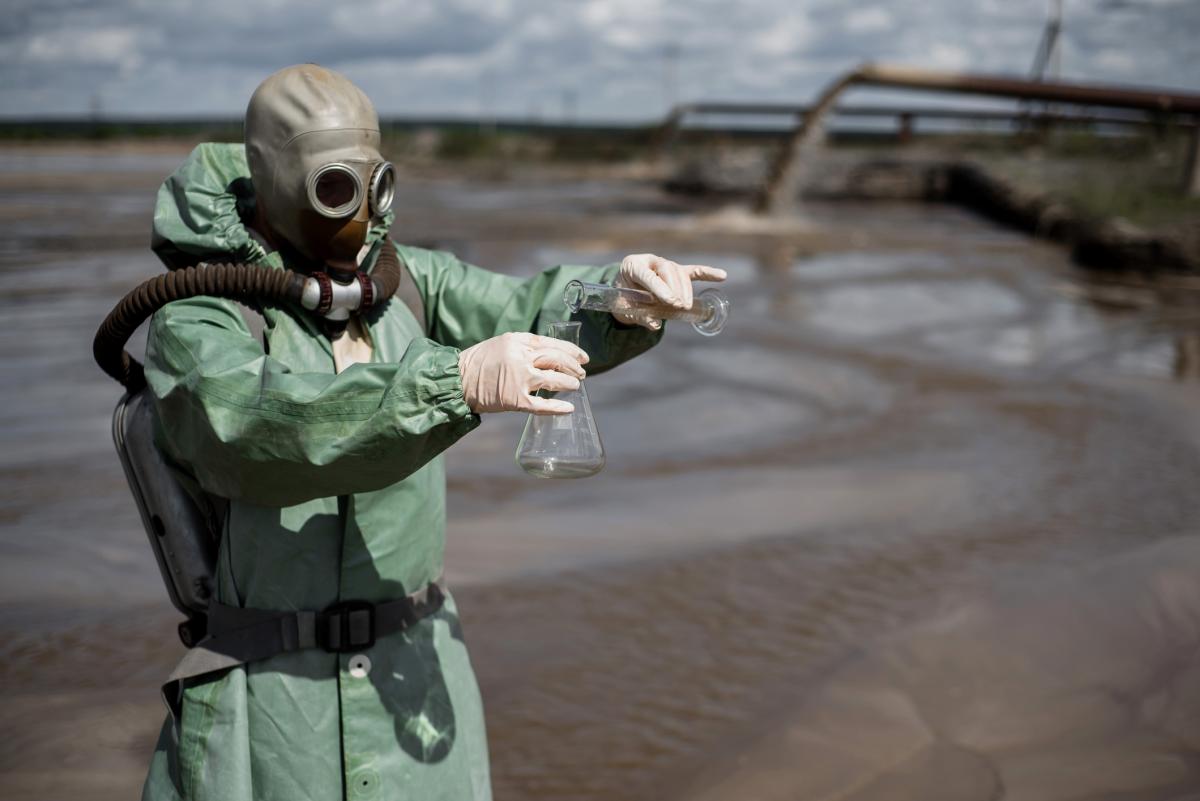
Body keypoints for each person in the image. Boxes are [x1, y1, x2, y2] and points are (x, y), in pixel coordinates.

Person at [139, 63, 726, 801]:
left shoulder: (405, 284)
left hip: (412, 678)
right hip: (275, 713)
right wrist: (453, 382)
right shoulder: (206, 314)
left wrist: (618, 296)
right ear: (272, 179)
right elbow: (247, 427)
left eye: (368, 184)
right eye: (332, 188)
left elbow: (527, 305)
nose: (352, 216)